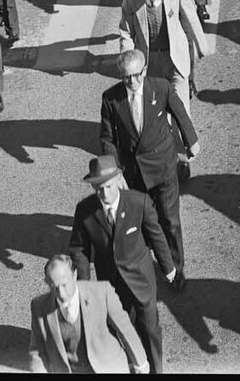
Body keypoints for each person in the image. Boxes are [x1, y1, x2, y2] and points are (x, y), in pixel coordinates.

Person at [69, 156, 177, 375]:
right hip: (111, 284)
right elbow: (79, 250)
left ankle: (155, 370)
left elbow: (156, 236)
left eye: (108, 186)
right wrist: (85, 286)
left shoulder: (139, 202)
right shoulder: (85, 211)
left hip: (141, 280)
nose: (104, 193)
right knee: (118, 327)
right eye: (98, 188)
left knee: (149, 328)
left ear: (118, 180)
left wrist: (168, 267)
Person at [100, 49, 200, 281]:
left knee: (170, 220)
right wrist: (114, 174)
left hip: (163, 166)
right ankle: (146, 264)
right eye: (126, 77)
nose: (132, 81)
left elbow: (179, 113)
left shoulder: (160, 87)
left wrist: (191, 140)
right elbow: (107, 138)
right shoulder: (111, 99)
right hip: (133, 173)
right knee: (142, 220)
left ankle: (175, 270)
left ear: (144, 71)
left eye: (136, 75)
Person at [29, 253, 149, 374]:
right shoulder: (39, 307)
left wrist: (141, 363)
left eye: (65, 285)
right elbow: (38, 351)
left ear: (74, 275)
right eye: (54, 287)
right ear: (47, 282)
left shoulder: (102, 292)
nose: (61, 293)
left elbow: (125, 328)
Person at [119, 0, 208, 115]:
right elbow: (126, 32)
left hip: (175, 59)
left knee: (181, 108)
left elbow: (190, 19)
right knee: (156, 108)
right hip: (150, 62)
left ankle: (186, 138)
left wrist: (201, 45)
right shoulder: (131, 1)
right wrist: (128, 59)